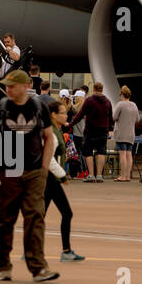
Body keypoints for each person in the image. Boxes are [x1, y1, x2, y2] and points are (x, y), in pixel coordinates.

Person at [0, 70, 59, 282]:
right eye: (6, 85)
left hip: (34, 170)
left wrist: (44, 169)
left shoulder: (38, 108)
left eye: (12, 85)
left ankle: (38, 266)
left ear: (25, 86)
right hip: (8, 169)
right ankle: (2, 262)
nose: (8, 89)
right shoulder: (1, 108)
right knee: (6, 217)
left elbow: (49, 138)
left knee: (35, 215)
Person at [44, 99, 84, 261]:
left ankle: (31, 249)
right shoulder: (52, 133)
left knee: (39, 216)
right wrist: (62, 175)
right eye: (63, 113)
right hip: (50, 179)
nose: (66, 115)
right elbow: (48, 159)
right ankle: (66, 251)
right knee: (66, 213)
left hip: (50, 179)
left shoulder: (55, 130)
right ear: (54, 115)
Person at [69, 81, 114, 182]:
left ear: (94, 89)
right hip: (103, 130)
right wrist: (109, 127)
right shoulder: (108, 101)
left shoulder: (89, 100)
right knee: (101, 151)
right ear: (102, 90)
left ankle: (91, 175)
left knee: (88, 152)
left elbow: (80, 114)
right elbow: (111, 117)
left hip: (90, 130)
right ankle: (99, 175)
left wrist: (71, 124)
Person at [111, 86, 139, 181]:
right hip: (131, 133)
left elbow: (114, 117)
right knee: (129, 154)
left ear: (122, 94)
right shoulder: (134, 105)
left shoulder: (120, 104)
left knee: (122, 154)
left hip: (121, 133)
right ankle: (127, 176)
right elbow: (138, 119)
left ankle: (122, 176)